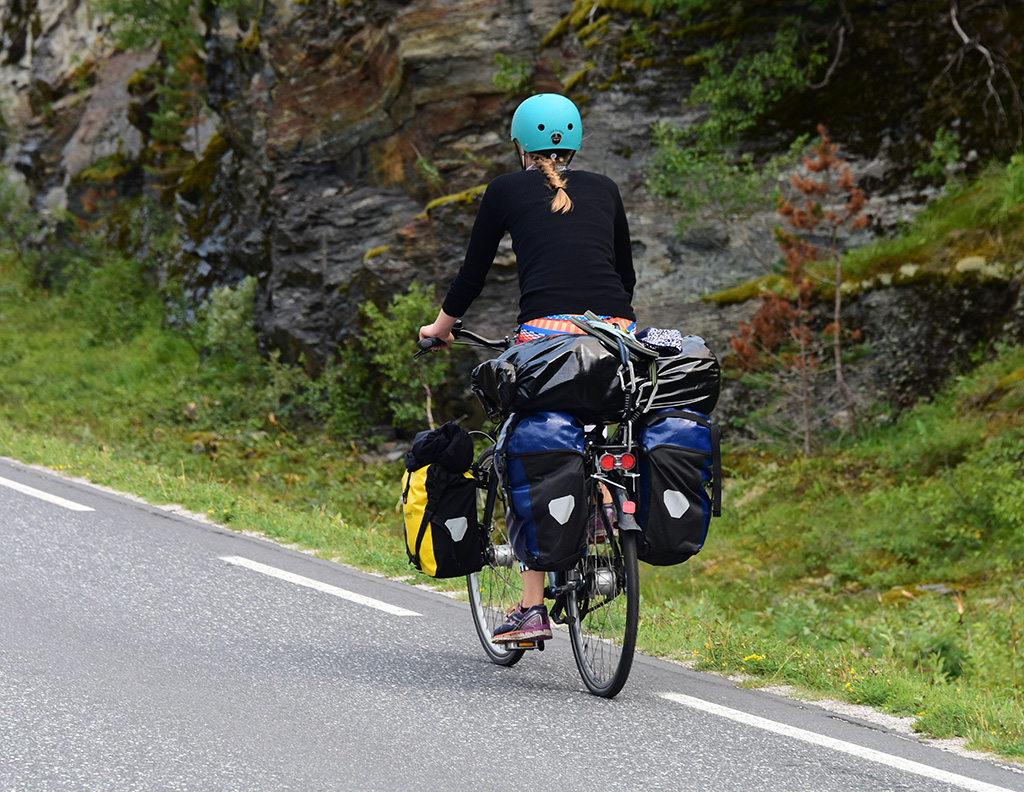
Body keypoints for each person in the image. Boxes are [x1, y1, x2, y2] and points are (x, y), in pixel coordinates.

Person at [419, 93, 636, 644]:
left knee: (528, 447)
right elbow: (625, 277)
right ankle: (602, 502)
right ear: (575, 143)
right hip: (616, 341)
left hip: (547, 341)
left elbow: (472, 275)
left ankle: (531, 607)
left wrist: (440, 329)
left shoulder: (505, 190)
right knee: (592, 427)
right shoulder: (606, 188)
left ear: (520, 145)